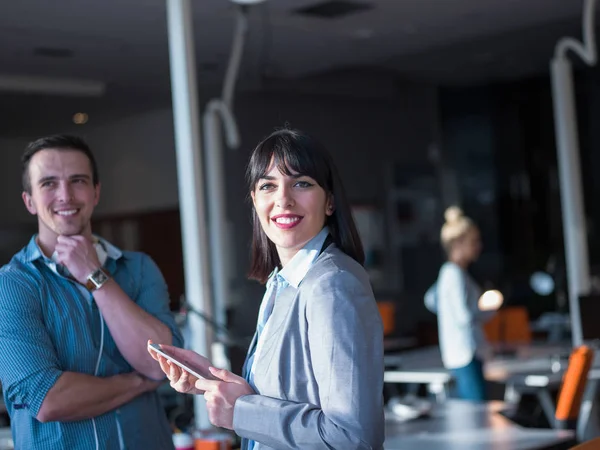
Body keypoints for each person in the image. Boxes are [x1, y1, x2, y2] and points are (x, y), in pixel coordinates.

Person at [149, 128, 385, 449]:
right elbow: (288, 395)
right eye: (268, 186)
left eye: (301, 183)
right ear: (255, 201)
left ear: (330, 201)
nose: (283, 199)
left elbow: (352, 438)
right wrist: (214, 383)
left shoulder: (333, 284)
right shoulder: (282, 282)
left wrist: (241, 412)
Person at [0, 135, 183, 449]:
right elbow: (48, 399)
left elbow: (162, 364)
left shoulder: (139, 269)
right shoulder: (11, 285)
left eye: (78, 181)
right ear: (29, 201)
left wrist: (95, 276)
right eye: (48, 184)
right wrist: (139, 382)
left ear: (96, 191)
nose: (65, 195)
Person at [425, 206, 498, 401]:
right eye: (473, 242)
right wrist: (486, 309)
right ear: (458, 243)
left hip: (461, 352)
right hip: (466, 353)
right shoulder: (454, 274)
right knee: (477, 411)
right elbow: (464, 316)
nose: (478, 246)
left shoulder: (451, 273)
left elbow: (430, 300)